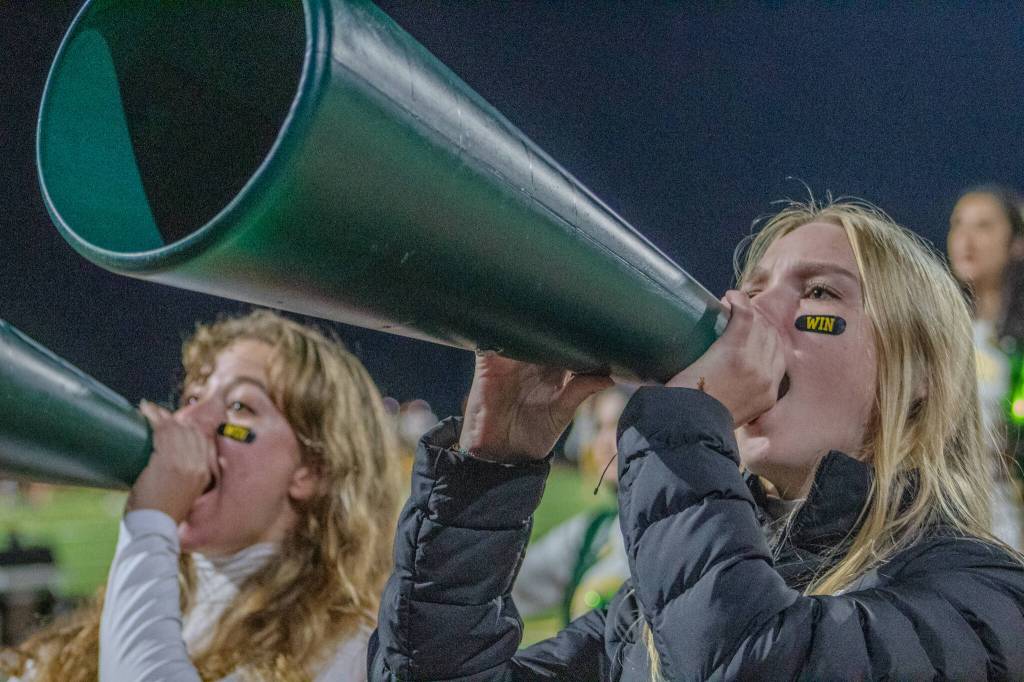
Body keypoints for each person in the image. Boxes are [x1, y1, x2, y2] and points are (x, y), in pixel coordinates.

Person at [369, 198, 1024, 680]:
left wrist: (680, 421)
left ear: (920, 377)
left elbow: (755, 661)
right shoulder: (652, 611)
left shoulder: (988, 603)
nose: (750, 315)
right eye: (752, 291)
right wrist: (489, 468)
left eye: (819, 295)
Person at [1, 309, 402, 682]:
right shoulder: (135, 614)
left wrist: (149, 522)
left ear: (311, 471)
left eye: (240, 406)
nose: (189, 419)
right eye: (192, 398)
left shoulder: (350, 652)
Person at [512, 386, 630, 624]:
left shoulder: (691, 528)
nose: (605, 442)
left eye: (619, 425)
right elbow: (510, 588)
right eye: (598, 427)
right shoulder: (592, 533)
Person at [947, 185, 1024, 548]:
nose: (966, 238)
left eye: (984, 226)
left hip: (1005, 529)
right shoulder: (934, 333)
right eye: (958, 224)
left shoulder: (1015, 343)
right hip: (945, 527)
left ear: (1016, 244)